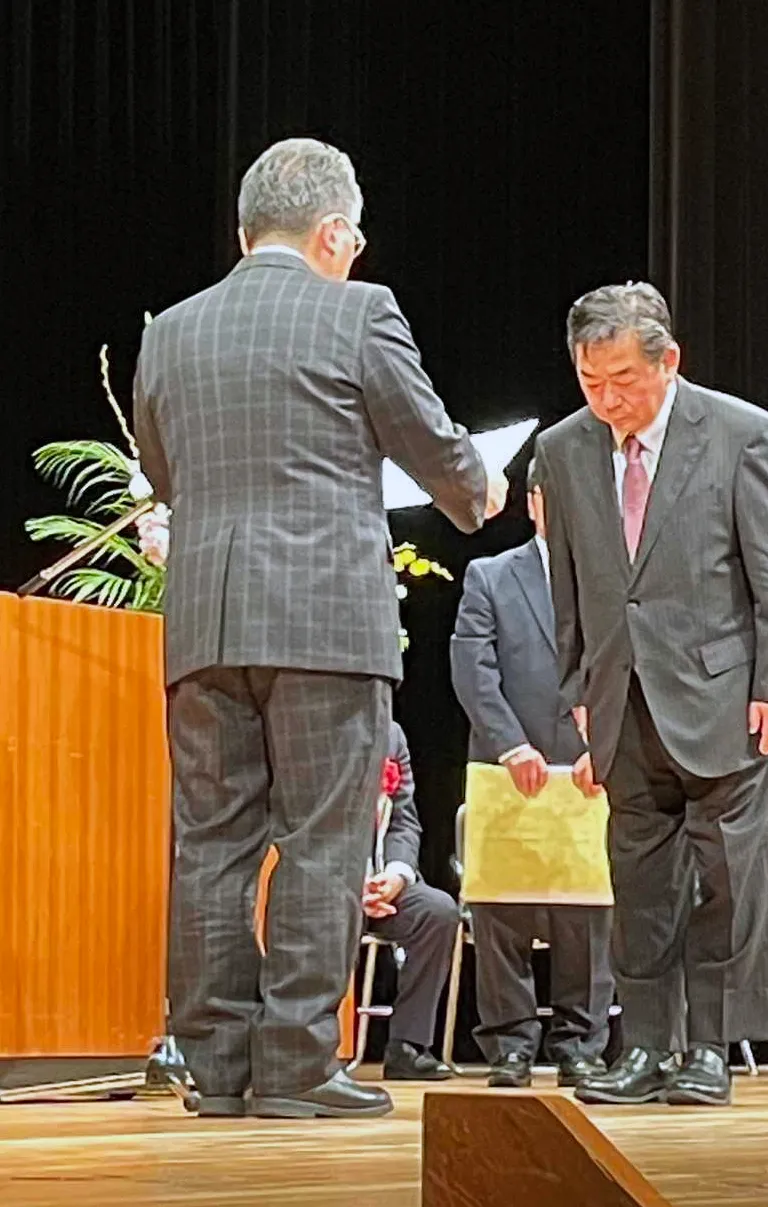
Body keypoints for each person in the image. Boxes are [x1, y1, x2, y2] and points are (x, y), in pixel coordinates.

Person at [133, 137, 507, 1121]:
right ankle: (297, 1065)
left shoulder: (171, 331)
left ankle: (217, 1067)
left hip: (207, 623)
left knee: (210, 844)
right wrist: (480, 490)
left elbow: (165, 475)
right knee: (322, 839)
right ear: (335, 234)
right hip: (325, 622)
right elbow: (431, 444)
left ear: (244, 231)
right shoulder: (359, 311)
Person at [535, 281, 768, 1108]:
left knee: (729, 879)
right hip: (621, 697)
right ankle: (648, 1045)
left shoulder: (741, 433)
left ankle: (711, 1048)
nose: (607, 399)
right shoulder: (563, 448)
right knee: (641, 885)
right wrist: (579, 688)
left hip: (725, 695)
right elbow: (568, 582)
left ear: (668, 361)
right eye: (591, 381)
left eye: (623, 379)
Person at [450, 460, 614, 1089]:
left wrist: (606, 744)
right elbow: (473, 668)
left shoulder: (612, 576)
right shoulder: (490, 575)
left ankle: (580, 1045)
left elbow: (626, 665)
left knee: (585, 915)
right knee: (502, 910)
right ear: (536, 501)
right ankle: (511, 1045)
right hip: (508, 767)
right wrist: (510, 745)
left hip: (587, 768)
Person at [366, 721, 459, 1081]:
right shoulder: (322, 728)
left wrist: (396, 875)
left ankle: (407, 1045)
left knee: (437, 912)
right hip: (328, 886)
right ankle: (314, 1047)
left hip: (382, 885)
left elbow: (404, 822)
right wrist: (353, 888)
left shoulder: (391, 735)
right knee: (331, 914)